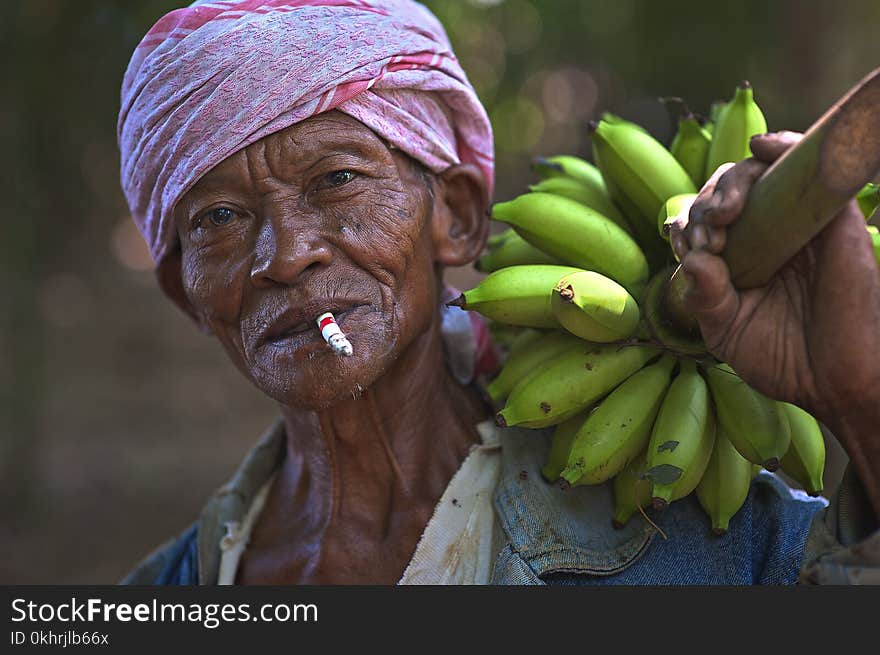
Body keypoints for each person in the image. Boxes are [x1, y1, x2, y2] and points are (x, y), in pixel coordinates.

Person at [117, 0, 879, 585]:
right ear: (189, 296)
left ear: (457, 216)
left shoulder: (712, 549)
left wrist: (865, 396)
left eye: (336, 180)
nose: (285, 256)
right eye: (218, 218)